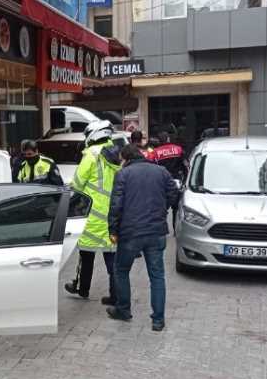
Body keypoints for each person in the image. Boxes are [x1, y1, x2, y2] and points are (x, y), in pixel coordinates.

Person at [107, 144, 178, 332]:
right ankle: (158, 320)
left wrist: (112, 229)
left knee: (121, 270)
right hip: (156, 232)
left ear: (126, 158)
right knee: (157, 276)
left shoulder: (123, 175)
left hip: (130, 233)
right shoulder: (161, 172)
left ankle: (123, 310)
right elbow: (174, 194)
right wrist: (163, 210)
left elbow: (116, 205)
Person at [65, 124, 122, 304]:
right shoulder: (117, 153)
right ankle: (116, 295)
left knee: (86, 254)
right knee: (112, 259)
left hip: (92, 215)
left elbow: (78, 183)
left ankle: (83, 289)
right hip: (112, 215)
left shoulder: (91, 154)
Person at [152, 132, 186, 226]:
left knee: (161, 208)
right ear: (168, 139)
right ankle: (175, 228)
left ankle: (161, 227)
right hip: (176, 181)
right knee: (176, 208)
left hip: (161, 183)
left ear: (159, 141)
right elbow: (185, 166)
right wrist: (185, 180)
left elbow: (151, 167)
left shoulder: (155, 152)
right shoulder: (178, 149)